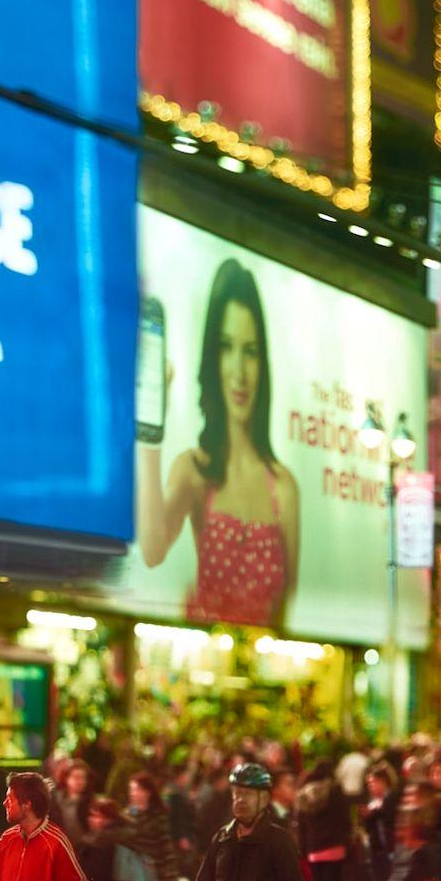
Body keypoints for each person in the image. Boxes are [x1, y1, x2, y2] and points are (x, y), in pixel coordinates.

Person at [140, 259, 303, 633]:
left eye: (250, 351)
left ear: (263, 362)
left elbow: (288, 614)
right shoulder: (196, 471)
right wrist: (150, 429)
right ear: (212, 357)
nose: (238, 371)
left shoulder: (284, 489)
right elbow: (152, 549)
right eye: (226, 347)